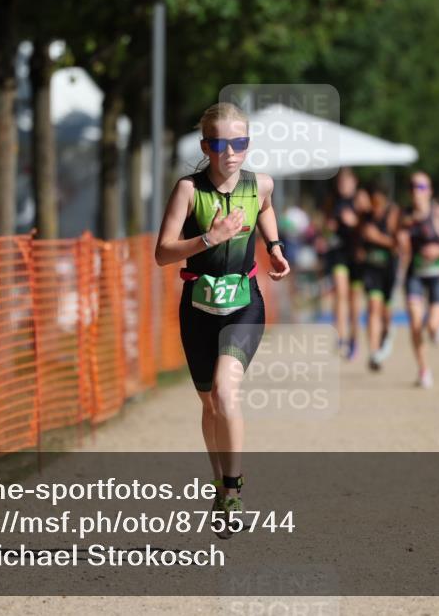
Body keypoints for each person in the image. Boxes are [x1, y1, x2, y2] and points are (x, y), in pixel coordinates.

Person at [154, 102, 290, 538]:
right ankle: (219, 484)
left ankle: (233, 489)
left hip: (244, 303)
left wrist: (274, 246)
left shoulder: (260, 184)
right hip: (197, 306)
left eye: (239, 142)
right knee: (209, 403)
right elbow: (162, 252)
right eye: (219, 143)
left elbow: (265, 206)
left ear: (248, 145)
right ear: (205, 146)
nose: (230, 152)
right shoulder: (188, 191)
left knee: (228, 392)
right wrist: (209, 237)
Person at [398, 171, 439, 389]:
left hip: (437, 275)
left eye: (421, 187)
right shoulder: (405, 217)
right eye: (413, 187)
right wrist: (400, 239)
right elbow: (396, 240)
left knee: (431, 326)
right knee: (415, 323)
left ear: (430, 191)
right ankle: (423, 370)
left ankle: (436, 328)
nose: (417, 192)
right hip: (415, 274)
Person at [321, 167, 369, 360]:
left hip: (356, 254)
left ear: (354, 182)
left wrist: (355, 221)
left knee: (354, 301)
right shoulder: (332, 200)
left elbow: (370, 224)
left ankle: (354, 339)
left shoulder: (361, 198)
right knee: (339, 293)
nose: (343, 186)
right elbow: (324, 228)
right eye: (340, 182)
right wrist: (328, 228)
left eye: (346, 182)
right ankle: (340, 336)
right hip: (339, 252)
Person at [359, 182, 400, 372]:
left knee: (385, 313)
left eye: (378, 203)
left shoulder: (393, 215)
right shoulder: (365, 217)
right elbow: (360, 238)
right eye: (372, 203)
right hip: (371, 269)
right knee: (372, 307)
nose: (375, 207)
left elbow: (398, 244)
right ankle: (374, 353)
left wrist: (377, 238)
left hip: (388, 270)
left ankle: (387, 334)